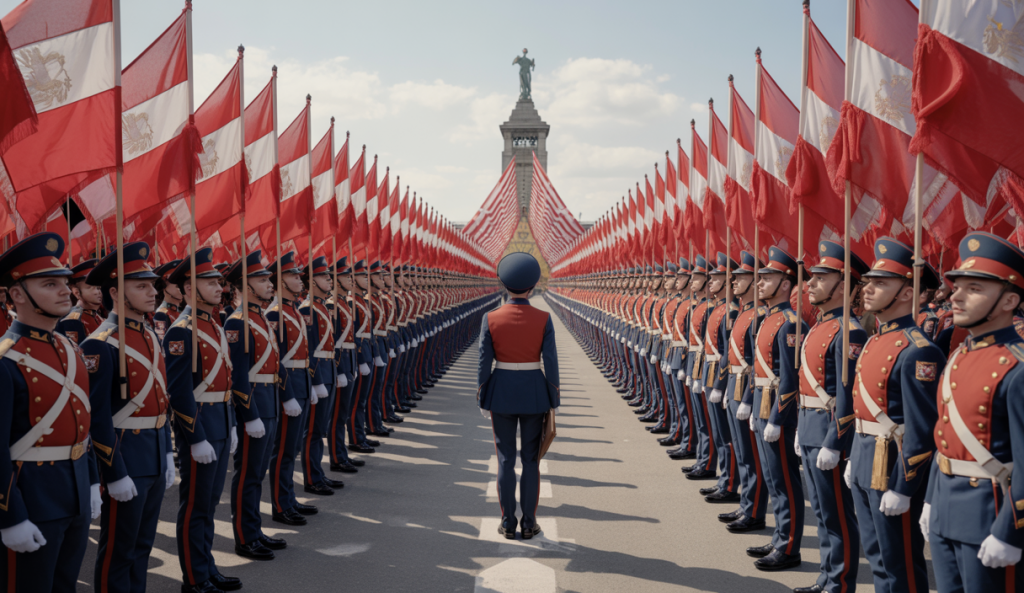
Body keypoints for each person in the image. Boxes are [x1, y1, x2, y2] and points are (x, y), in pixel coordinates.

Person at [923, 232, 1024, 592]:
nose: (956, 296)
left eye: (975, 288)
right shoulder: (960, 354)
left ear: (1010, 299)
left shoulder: (1017, 367)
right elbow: (944, 438)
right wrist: (931, 501)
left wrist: (1010, 531)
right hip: (946, 512)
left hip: (990, 516)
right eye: (957, 286)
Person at [0, 232, 100, 593]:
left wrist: (90, 480)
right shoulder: (6, 359)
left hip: (73, 492)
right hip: (33, 498)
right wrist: (9, 516)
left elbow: (81, 425)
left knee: (64, 586)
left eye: (65, 283)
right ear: (16, 294)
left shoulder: (70, 347)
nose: (65, 291)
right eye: (49, 283)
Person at [848, 237, 944, 593]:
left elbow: (922, 429)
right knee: (876, 556)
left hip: (891, 465)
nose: (868, 289)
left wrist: (905, 487)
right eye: (868, 281)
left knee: (899, 561)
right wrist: (854, 459)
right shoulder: (875, 339)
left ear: (906, 293)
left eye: (880, 283)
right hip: (865, 458)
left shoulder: (919, 350)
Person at [80, 242, 175, 593]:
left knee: (141, 547)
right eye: (142, 286)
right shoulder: (100, 344)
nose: (153, 292)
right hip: (125, 457)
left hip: (151, 452)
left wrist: (166, 452)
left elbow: (160, 403)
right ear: (117, 292)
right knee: (119, 551)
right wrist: (113, 472)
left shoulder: (149, 335)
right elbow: (97, 417)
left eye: (152, 285)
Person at [163, 248, 240, 593]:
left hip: (220, 420)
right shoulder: (182, 331)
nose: (219, 287)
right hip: (201, 425)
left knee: (209, 504)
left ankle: (207, 568)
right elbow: (179, 393)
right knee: (195, 505)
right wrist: (194, 438)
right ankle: (194, 578)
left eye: (218, 282)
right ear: (189, 288)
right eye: (210, 282)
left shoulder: (213, 323)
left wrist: (232, 423)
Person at [792, 241, 868, 593]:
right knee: (822, 513)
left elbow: (848, 395)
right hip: (809, 428)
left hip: (828, 435)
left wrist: (835, 442)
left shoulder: (850, 332)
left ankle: (839, 583)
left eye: (821, 278)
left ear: (844, 286)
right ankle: (826, 577)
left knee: (837, 516)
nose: (810, 284)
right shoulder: (819, 327)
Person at [478, 252, 559, 540]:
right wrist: (554, 399)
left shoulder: (491, 318)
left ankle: (507, 521)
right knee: (531, 461)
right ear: (533, 285)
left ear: (503, 283)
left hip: (501, 392)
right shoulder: (543, 318)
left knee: (504, 460)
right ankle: (529, 522)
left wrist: (483, 396)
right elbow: (550, 362)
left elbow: (483, 362)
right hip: (535, 393)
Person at [223, 251, 287, 561]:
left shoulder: (260, 316)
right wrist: (248, 415)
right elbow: (237, 376)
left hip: (269, 403)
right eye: (262, 279)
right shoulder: (237, 322)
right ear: (244, 286)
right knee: (248, 474)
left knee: (258, 473)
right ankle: (245, 537)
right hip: (256, 409)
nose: (269, 283)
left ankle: (255, 529)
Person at [747, 246, 807, 572]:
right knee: (772, 480)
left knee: (785, 481)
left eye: (767, 278)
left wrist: (777, 417)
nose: (760, 283)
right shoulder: (769, 318)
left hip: (776, 413)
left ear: (785, 283)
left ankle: (789, 547)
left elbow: (790, 376)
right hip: (762, 406)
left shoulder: (790, 323)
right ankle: (779, 536)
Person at [719, 251, 769, 533]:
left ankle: (754, 512)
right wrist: (725, 387)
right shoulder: (743, 313)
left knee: (752, 457)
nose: (733, 281)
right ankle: (745, 504)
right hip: (734, 386)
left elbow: (756, 365)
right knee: (741, 451)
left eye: (741, 277)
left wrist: (748, 399)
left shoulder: (759, 315)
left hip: (749, 390)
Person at [266, 251, 317, 526]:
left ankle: (290, 498)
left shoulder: (293, 310)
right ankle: (280, 505)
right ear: (280, 281)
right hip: (289, 389)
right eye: (293, 275)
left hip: (301, 384)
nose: (300, 279)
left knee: (293, 448)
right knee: (283, 450)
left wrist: (308, 383)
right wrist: (287, 394)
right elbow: (277, 359)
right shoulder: (274, 314)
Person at [299, 256, 344, 495]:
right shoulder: (307, 309)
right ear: (312, 281)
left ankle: (318, 473)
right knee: (313, 431)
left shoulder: (321, 306)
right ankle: (311, 478)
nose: (329, 279)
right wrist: (316, 381)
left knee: (321, 429)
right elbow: (310, 348)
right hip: (319, 376)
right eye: (324, 276)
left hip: (329, 372)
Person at [55, 259, 103, 346]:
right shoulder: (73, 320)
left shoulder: (97, 316)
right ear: (76, 292)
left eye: (99, 287)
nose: (98, 292)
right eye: (90, 287)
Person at [153, 259, 183, 342]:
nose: (181, 286)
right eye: (176, 284)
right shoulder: (161, 314)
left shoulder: (179, 312)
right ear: (164, 285)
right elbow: (161, 344)